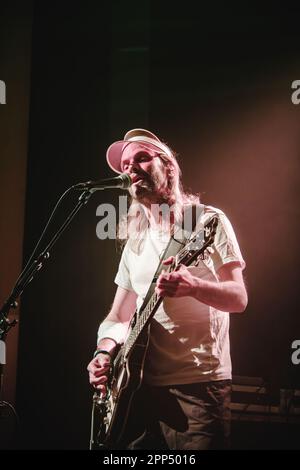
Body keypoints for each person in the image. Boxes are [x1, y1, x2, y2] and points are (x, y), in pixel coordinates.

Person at [87, 128, 248, 450]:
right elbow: (119, 316)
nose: (130, 168)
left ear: (169, 167)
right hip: (137, 388)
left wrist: (194, 286)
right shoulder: (135, 240)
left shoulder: (205, 222)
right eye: (126, 165)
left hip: (198, 385)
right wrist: (104, 351)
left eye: (142, 158)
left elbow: (238, 298)